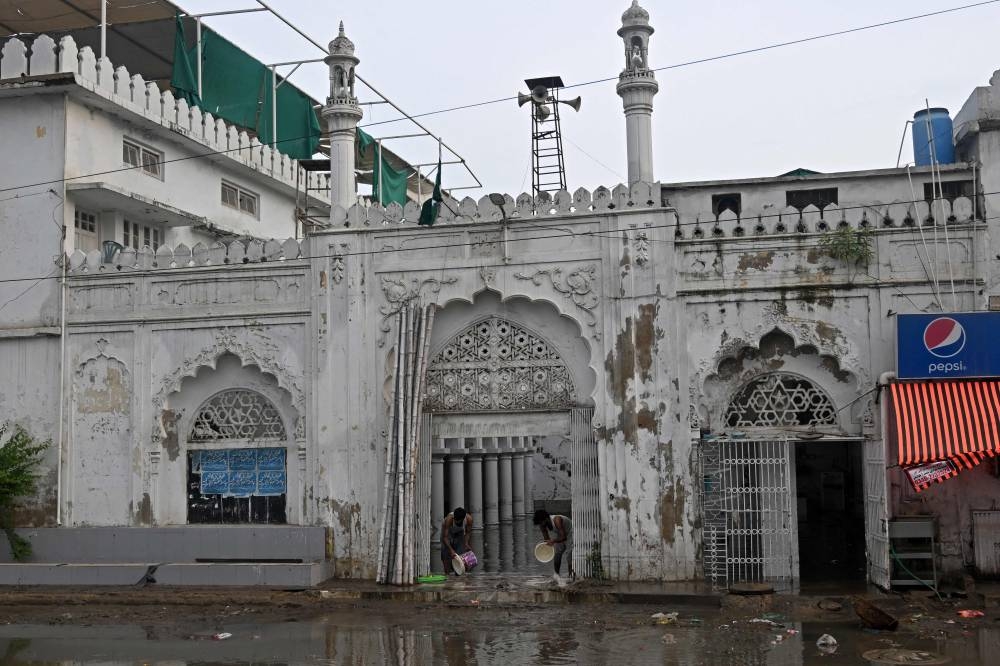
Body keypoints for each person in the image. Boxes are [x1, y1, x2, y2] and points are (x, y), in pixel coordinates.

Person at [533, 509, 575, 579]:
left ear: (546, 519)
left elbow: (564, 537)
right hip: (560, 534)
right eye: (539, 523)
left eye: (541, 522)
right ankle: (557, 575)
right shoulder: (542, 525)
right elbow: (547, 540)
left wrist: (553, 541)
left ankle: (571, 577)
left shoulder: (557, 520)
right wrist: (546, 545)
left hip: (570, 533)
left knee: (569, 556)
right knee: (557, 554)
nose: (541, 525)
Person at [440, 507, 473, 574]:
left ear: (463, 519)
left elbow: (468, 533)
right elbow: (445, 537)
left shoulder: (469, 519)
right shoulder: (449, 519)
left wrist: (466, 543)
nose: (456, 521)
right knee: (445, 554)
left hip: (460, 533)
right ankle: (447, 573)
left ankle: (458, 572)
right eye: (455, 520)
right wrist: (451, 550)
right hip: (447, 534)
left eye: (458, 521)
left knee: (460, 554)